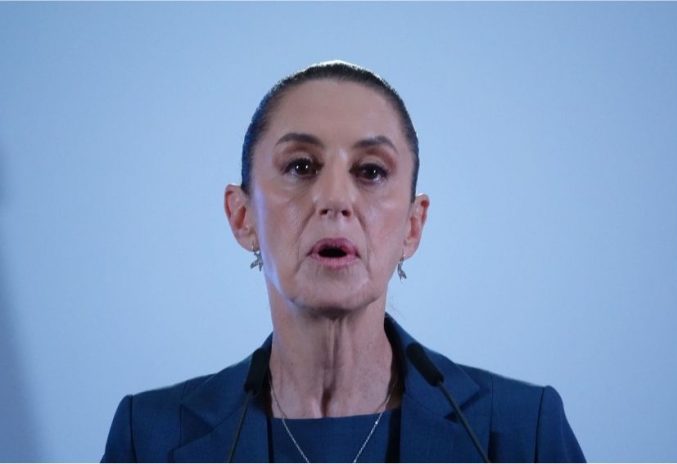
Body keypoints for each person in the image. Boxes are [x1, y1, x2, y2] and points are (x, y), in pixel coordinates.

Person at [102, 60, 585, 463]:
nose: (335, 197)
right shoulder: (147, 438)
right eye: (301, 166)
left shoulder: (525, 432)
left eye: (370, 171)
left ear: (412, 227)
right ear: (242, 215)